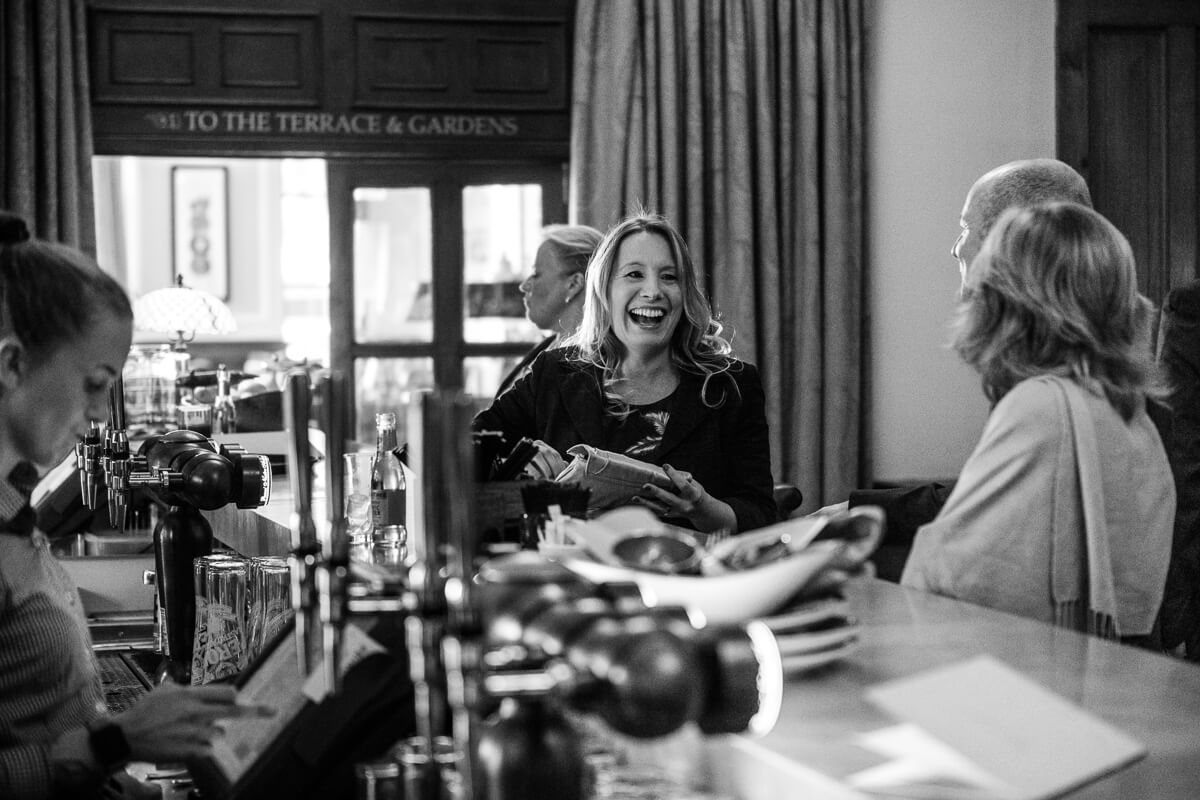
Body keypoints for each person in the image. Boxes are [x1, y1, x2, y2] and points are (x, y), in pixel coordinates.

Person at [0, 212, 271, 799]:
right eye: (95, 383)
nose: (101, 414)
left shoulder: (14, 512)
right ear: (12, 364)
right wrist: (115, 743)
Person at [899, 202, 1175, 638]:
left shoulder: (1040, 408)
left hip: (1034, 676)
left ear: (1008, 301)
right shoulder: (1131, 416)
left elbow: (957, 575)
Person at [839, 159, 1097, 560]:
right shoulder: (1093, 379)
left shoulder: (1044, 400)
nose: (956, 247)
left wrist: (849, 520)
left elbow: (983, 518)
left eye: (965, 228)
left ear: (1009, 242)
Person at [475, 211, 777, 533]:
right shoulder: (552, 373)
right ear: (604, 291)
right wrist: (522, 462)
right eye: (634, 274)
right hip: (575, 576)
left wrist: (702, 507)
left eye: (669, 277)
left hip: (684, 576)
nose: (653, 291)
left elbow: (759, 515)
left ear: (684, 293)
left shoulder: (732, 385)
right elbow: (470, 452)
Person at [494, 224, 604, 398]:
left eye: (537, 274)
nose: (524, 286)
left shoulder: (587, 371)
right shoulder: (547, 349)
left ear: (574, 284)